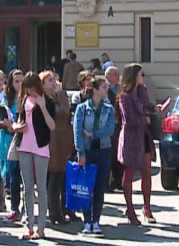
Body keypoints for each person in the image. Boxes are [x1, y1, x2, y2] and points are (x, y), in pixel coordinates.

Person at [13, 72, 56, 240]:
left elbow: (52, 126)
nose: (30, 92)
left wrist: (43, 106)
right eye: (27, 89)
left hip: (41, 146)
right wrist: (17, 127)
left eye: (32, 89)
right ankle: (29, 225)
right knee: (27, 187)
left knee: (41, 188)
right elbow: (19, 120)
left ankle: (41, 227)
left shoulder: (49, 101)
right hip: (24, 145)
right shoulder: (23, 100)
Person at [74, 78, 116, 235]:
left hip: (103, 150)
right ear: (95, 90)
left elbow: (110, 129)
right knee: (86, 188)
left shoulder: (109, 109)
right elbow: (77, 132)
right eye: (104, 87)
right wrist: (81, 153)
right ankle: (87, 221)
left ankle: (96, 220)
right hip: (88, 152)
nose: (107, 89)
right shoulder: (82, 109)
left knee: (99, 187)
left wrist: (92, 134)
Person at [117, 63, 157, 225]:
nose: (144, 77)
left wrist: (155, 108)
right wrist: (145, 119)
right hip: (131, 139)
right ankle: (130, 208)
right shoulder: (125, 96)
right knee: (130, 174)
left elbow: (146, 107)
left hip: (144, 137)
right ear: (133, 76)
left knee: (147, 172)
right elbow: (130, 119)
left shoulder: (143, 91)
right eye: (142, 74)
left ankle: (147, 207)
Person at [41, 70, 76, 225]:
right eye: (50, 81)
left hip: (62, 141)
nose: (54, 83)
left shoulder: (56, 96)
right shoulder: (46, 99)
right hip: (52, 141)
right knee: (54, 178)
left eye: (55, 80)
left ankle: (63, 209)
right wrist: (61, 94)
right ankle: (55, 213)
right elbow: (63, 112)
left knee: (61, 178)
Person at [0, 69, 22, 222]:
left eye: (21, 81)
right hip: (8, 139)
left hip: (24, 139)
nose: (19, 84)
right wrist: (3, 122)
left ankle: (25, 209)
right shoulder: (7, 99)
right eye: (16, 81)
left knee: (24, 178)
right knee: (13, 176)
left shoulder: (28, 98)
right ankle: (14, 208)